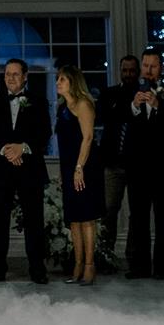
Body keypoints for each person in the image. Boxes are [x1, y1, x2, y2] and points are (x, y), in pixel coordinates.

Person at [0, 58, 50, 284]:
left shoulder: (38, 101)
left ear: (25, 76)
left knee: (34, 221)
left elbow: (44, 133)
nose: (10, 78)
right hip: (0, 168)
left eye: (15, 74)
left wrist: (23, 147)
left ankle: (37, 269)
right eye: (7, 74)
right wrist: (6, 150)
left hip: (29, 169)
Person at [124, 48, 164, 280]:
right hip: (137, 168)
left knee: (163, 219)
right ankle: (140, 267)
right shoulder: (129, 91)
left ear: (161, 68)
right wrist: (135, 106)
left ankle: (160, 268)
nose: (148, 70)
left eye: (153, 66)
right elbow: (119, 122)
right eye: (145, 66)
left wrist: (158, 106)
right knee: (138, 219)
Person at [54, 65, 102, 285]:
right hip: (68, 167)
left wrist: (79, 168)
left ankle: (90, 266)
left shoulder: (83, 104)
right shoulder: (62, 107)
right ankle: (78, 264)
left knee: (86, 217)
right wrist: (65, 172)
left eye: (62, 79)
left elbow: (88, 138)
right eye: (58, 79)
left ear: (73, 82)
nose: (58, 83)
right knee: (74, 219)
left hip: (84, 167)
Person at [95, 53, 140, 269]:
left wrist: (128, 108)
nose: (128, 74)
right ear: (120, 71)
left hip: (137, 163)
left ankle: (134, 257)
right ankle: (105, 256)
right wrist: (130, 108)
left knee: (136, 213)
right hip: (112, 161)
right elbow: (105, 116)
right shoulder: (109, 93)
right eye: (125, 70)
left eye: (132, 70)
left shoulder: (145, 94)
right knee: (108, 210)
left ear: (137, 72)